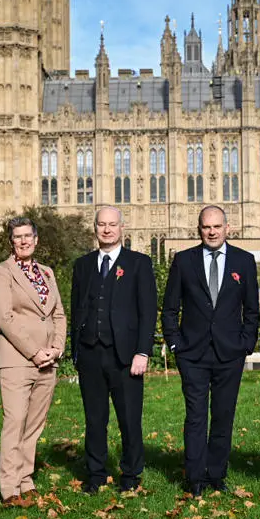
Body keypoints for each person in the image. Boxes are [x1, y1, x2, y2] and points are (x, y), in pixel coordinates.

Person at [162, 206, 259, 496]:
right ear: (199, 229)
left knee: (223, 415)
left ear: (227, 228)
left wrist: (245, 344)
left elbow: (252, 310)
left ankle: (216, 475)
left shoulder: (244, 261)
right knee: (195, 416)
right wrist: (176, 343)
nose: (212, 231)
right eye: (207, 227)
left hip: (230, 353)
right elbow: (170, 309)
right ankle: (195, 478)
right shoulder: (183, 260)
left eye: (217, 226)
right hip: (192, 353)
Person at [70, 207, 157, 493]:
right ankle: (95, 475)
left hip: (126, 357)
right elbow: (76, 309)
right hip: (91, 354)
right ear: (94, 228)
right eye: (101, 225)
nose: (106, 230)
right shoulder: (82, 266)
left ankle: (130, 476)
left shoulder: (139, 264)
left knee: (129, 419)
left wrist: (143, 352)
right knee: (94, 420)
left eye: (112, 225)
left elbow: (147, 312)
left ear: (122, 228)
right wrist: (76, 352)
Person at [0, 217, 66, 505]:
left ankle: (26, 478)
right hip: (18, 359)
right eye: (17, 237)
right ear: (11, 241)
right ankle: (9, 487)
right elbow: (4, 318)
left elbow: (58, 314)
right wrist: (35, 351)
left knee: (34, 424)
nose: (23, 241)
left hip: (48, 359)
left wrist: (56, 347)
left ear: (36, 239)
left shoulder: (46, 272)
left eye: (28, 236)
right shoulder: (1, 272)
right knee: (16, 421)